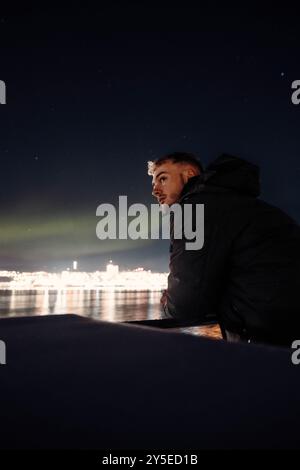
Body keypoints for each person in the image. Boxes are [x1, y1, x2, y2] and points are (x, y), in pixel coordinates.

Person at [148, 152, 300, 347]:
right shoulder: (252, 208)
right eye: (153, 184)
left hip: (268, 341)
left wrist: (168, 302)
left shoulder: (193, 209)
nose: (155, 191)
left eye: (162, 178)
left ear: (189, 174)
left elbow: (185, 305)